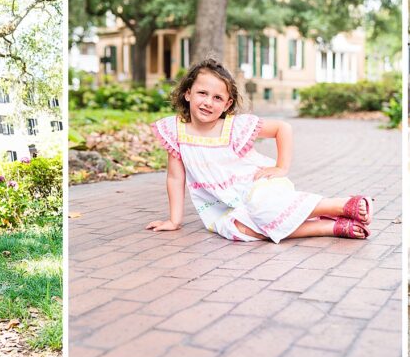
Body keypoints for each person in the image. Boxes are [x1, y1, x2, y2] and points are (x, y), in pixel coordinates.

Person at [147, 58, 372, 242]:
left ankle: (339, 206)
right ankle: (329, 227)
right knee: (238, 230)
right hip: (224, 205)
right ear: (187, 94)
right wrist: (174, 221)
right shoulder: (175, 131)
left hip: (257, 188)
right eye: (202, 93)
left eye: (217, 98)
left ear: (227, 104)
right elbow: (175, 178)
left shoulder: (233, 127)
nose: (208, 102)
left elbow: (282, 128)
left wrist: (281, 167)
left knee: (262, 208)